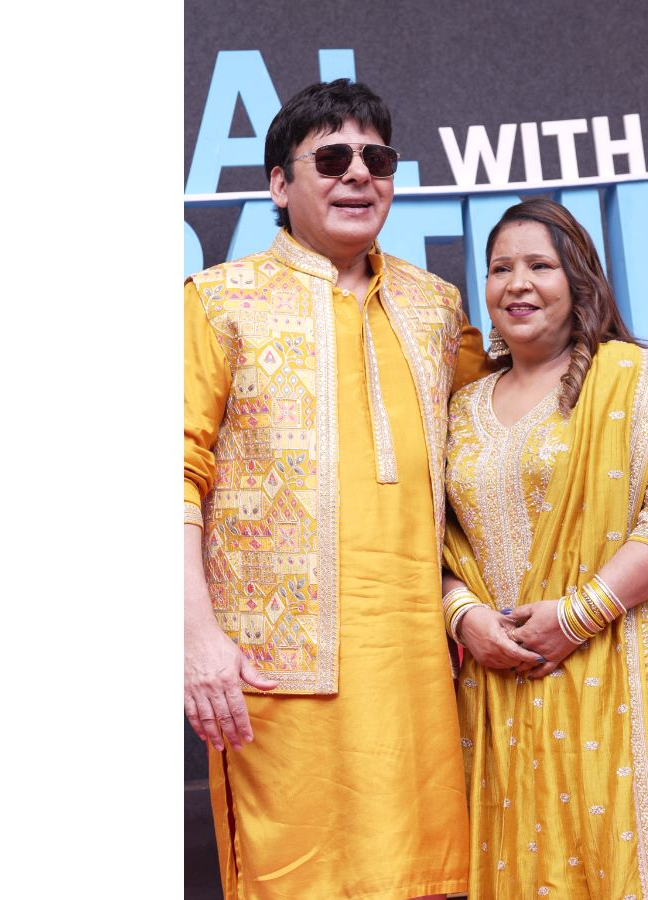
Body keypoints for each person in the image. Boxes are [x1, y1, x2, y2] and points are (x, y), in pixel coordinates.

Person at [184, 79, 491, 900]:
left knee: (430, 878)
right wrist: (195, 636)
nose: (359, 173)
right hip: (277, 674)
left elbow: (496, 455)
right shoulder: (219, 303)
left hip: (424, 674)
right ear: (279, 185)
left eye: (377, 159)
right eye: (331, 159)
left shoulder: (438, 310)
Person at [440, 198, 648, 899]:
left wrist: (575, 617)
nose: (517, 283)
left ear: (578, 280)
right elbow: (430, 544)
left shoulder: (630, 376)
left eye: (539, 266)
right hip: (503, 692)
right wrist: (464, 619)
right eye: (500, 269)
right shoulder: (461, 407)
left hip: (624, 672)